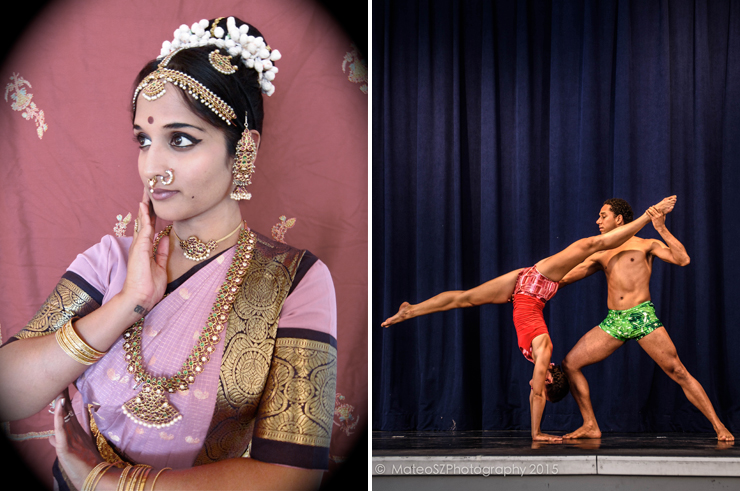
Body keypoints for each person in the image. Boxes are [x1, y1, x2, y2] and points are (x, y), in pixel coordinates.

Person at [0, 16, 338, 490]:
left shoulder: (293, 280)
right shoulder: (110, 261)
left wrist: (109, 483)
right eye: (143, 139)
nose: (152, 168)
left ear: (242, 150)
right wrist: (127, 304)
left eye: (180, 140)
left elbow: (294, 476)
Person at [382, 196, 677, 442]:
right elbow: (537, 392)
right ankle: (648, 215)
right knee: (590, 245)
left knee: (465, 298)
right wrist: (537, 433)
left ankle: (412, 310)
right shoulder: (543, 350)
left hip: (522, 287)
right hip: (538, 281)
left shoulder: (536, 353)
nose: (534, 384)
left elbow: (537, 389)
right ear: (549, 377)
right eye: (543, 383)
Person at [558, 198, 734, 442]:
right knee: (570, 364)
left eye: (603, 216)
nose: (598, 221)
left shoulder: (646, 244)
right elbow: (564, 278)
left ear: (619, 219)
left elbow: (682, 259)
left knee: (678, 371)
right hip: (614, 321)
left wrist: (660, 227)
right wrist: (528, 287)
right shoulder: (599, 252)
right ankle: (590, 425)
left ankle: (719, 426)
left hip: (641, 316)